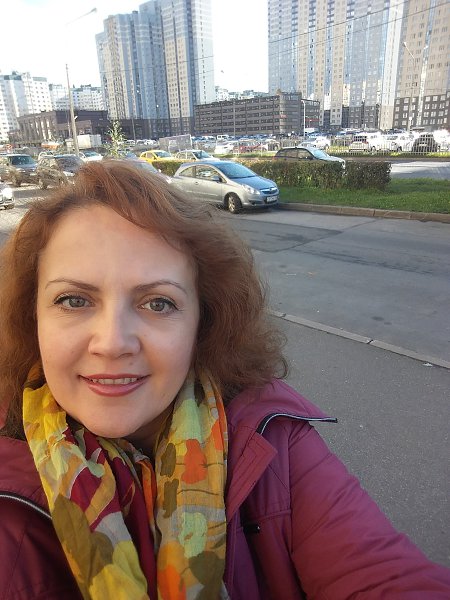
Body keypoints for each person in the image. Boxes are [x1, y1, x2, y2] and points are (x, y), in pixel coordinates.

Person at [0, 160, 449, 600]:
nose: (113, 343)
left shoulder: (271, 441)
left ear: (203, 323)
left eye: (158, 303)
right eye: (74, 300)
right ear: (31, 316)